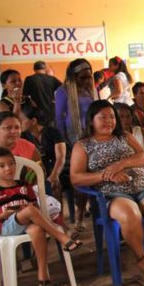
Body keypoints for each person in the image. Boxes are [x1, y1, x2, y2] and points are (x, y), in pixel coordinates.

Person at [71, 100, 144, 286]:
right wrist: (106, 175)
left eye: (112, 116)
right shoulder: (83, 145)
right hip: (112, 195)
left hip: (141, 187)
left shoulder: (125, 136)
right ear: (91, 121)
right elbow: (76, 178)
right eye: (102, 117)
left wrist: (120, 164)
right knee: (131, 215)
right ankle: (143, 260)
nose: (109, 121)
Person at [0, 148, 81, 286]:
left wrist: (28, 209)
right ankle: (62, 237)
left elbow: (34, 207)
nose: (8, 168)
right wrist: (5, 215)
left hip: (28, 222)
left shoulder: (24, 185)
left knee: (36, 228)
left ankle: (43, 276)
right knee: (29, 211)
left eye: (11, 164)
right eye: (2, 166)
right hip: (7, 226)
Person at [55, 58, 99, 230]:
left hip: (94, 138)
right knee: (81, 178)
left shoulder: (91, 90)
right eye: (83, 78)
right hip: (74, 140)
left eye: (89, 77)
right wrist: (68, 143)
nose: (87, 81)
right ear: (73, 78)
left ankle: (98, 208)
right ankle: (80, 214)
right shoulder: (63, 91)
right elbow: (59, 118)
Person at [20, 104, 68, 204]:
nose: (20, 123)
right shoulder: (25, 136)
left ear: (33, 121)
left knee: (54, 184)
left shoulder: (52, 132)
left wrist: (55, 175)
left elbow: (61, 157)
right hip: (42, 170)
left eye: (22, 120)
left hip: (61, 168)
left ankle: (57, 216)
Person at [114, 103, 144, 176]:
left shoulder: (139, 131)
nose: (125, 120)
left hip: (143, 174)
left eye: (128, 116)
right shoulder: (112, 137)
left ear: (132, 117)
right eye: (121, 117)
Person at [22, 61, 62, 127]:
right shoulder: (52, 79)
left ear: (34, 69)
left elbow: (24, 96)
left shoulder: (29, 79)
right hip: (51, 111)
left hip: (37, 111)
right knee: (52, 131)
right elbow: (64, 90)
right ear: (45, 69)